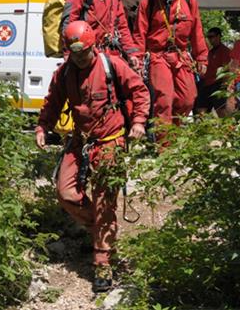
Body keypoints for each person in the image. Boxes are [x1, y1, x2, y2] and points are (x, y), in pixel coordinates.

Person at [35, 21, 150, 292]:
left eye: (83, 53)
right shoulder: (64, 73)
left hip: (111, 142)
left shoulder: (112, 66)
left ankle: (102, 262)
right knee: (66, 194)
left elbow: (139, 91)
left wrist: (139, 122)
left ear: (93, 47)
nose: (79, 59)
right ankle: (101, 229)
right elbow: (52, 102)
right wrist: (43, 126)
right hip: (80, 141)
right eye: (74, 54)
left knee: (104, 201)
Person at [129, 0, 208, 129]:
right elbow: (139, 34)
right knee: (164, 100)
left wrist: (202, 58)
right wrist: (138, 59)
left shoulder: (189, 1)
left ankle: (175, 132)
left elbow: (197, 32)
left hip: (181, 56)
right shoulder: (147, 3)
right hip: (158, 57)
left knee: (188, 99)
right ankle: (165, 147)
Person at [195, 27, 231, 115]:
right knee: (201, 110)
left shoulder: (225, 51)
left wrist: (225, 85)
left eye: (212, 37)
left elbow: (227, 69)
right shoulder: (210, 52)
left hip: (218, 84)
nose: (209, 39)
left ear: (218, 36)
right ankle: (205, 127)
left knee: (220, 110)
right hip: (206, 84)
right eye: (208, 37)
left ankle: (227, 127)